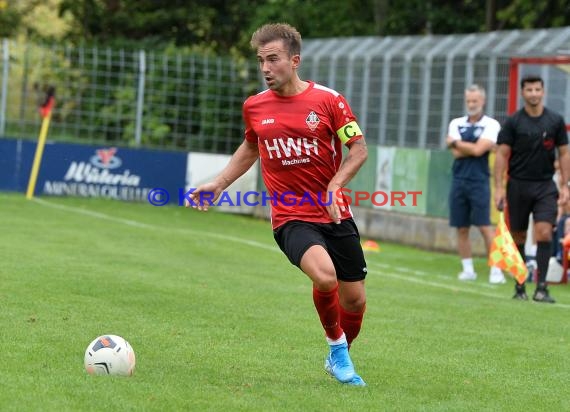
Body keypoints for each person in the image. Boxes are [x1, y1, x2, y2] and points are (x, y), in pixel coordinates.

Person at [185, 23, 369, 386]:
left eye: (273, 59)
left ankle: (339, 353)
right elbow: (251, 147)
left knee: (355, 302)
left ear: (294, 60)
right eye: (260, 61)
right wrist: (220, 183)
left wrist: (335, 185)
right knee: (324, 275)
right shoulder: (255, 106)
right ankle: (337, 350)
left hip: (335, 214)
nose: (266, 68)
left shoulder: (329, 101)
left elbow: (358, 149)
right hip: (291, 217)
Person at [494, 74, 570, 303]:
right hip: (518, 184)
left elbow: (564, 153)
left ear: (543, 91)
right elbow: (502, 154)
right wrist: (499, 187)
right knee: (518, 234)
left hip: (545, 185)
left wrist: (565, 185)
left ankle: (542, 287)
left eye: (538, 89)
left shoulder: (555, 121)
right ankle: (520, 286)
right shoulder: (513, 122)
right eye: (529, 90)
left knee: (544, 232)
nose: (534, 94)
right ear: (523, 93)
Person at [446, 84, 506, 284]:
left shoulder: (492, 124)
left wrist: (455, 142)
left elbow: (479, 151)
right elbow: (457, 153)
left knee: (484, 226)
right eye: (469, 101)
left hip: (479, 180)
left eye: (475, 101)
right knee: (461, 227)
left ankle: (496, 270)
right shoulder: (456, 122)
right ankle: (468, 269)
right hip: (458, 179)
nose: (471, 104)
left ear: (483, 101)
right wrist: (465, 147)